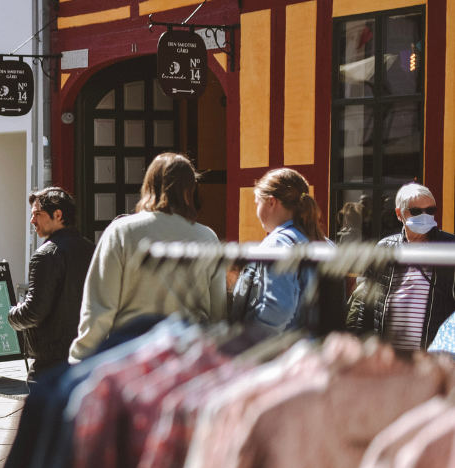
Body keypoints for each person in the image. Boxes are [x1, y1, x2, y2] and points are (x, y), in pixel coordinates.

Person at [69, 153, 224, 362]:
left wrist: (81, 357)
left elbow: (100, 306)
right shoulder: (207, 237)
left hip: (132, 354)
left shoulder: (123, 232)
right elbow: (218, 309)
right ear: (190, 189)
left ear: (149, 184)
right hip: (188, 356)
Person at [347, 182, 455, 350]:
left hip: (430, 358)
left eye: (430, 210)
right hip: (389, 357)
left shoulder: (449, 247)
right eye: (417, 211)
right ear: (399, 214)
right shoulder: (385, 248)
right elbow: (367, 306)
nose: (425, 215)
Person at [230, 168, 330, 333]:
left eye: (257, 203)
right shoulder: (323, 243)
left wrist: (248, 341)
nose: (256, 211)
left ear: (271, 202)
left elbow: (277, 309)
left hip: (284, 353)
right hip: (314, 350)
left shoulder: (276, 244)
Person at [8, 187, 93, 376]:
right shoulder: (93, 249)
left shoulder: (46, 255)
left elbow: (33, 312)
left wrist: (13, 314)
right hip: (88, 354)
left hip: (52, 359)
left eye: (37, 214)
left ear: (58, 214)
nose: (32, 220)